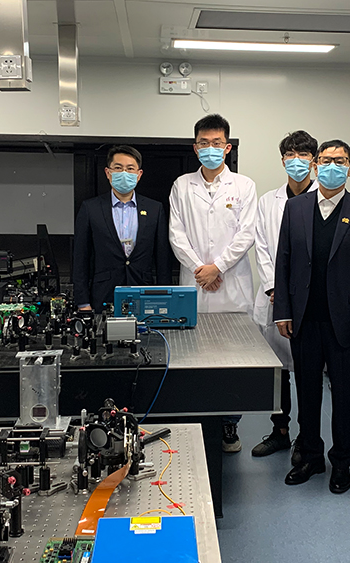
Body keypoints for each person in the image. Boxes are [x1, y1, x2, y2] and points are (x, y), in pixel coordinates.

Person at [273, 139, 350, 494]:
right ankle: (311, 457)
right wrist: (282, 310)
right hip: (303, 318)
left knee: (345, 396)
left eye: (341, 160)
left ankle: (342, 462)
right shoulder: (296, 208)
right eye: (326, 160)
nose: (333, 166)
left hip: (345, 323)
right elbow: (283, 260)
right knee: (307, 392)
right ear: (316, 166)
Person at [168, 114, 257, 453]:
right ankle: (198, 422)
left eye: (216, 143)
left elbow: (246, 234)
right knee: (193, 354)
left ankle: (230, 424)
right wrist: (199, 269)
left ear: (227, 147)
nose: (210, 148)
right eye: (203, 143)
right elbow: (176, 234)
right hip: (195, 284)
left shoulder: (244, 186)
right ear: (195, 148)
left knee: (234, 359)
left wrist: (217, 267)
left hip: (231, 284)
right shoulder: (181, 185)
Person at [251, 130, 318, 460]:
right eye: (290, 154)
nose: (296, 160)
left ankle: (307, 437)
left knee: (307, 372)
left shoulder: (324, 199)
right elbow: (262, 247)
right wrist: (274, 287)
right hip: (275, 297)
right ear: (282, 161)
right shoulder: (268, 201)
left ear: (314, 161)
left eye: (303, 154)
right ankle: (280, 431)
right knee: (277, 371)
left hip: (309, 300)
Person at [73, 145, 171, 311]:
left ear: (139, 174)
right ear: (108, 173)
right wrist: (83, 302)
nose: (124, 173)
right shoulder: (91, 208)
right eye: (118, 168)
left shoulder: (155, 209)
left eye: (130, 168)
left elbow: (163, 259)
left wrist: (165, 298)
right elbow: (80, 258)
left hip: (144, 293)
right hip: (103, 295)